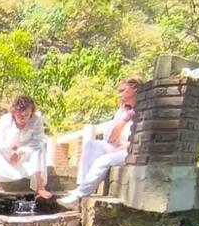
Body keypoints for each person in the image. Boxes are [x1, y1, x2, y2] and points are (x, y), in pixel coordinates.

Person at [58, 76, 143, 207]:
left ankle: (80, 194)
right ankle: (82, 185)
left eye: (123, 90)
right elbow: (111, 138)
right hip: (118, 147)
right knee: (91, 145)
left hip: (132, 152)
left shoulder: (145, 110)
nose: (119, 94)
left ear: (135, 89)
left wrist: (123, 147)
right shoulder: (123, 111)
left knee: (103, 160)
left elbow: (139, 141)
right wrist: (125, 118)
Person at [0, 95, 49, 199]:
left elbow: (38, 140)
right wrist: (11, 151)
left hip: (28, 152)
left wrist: (21, 151)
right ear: (14, 113)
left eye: (26, 115)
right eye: (19, 115)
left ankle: (40, 187)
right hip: (7, 151)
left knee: (40, 148)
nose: (22, 118)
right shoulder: (5, 119)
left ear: (31, 113)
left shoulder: (37, 119)